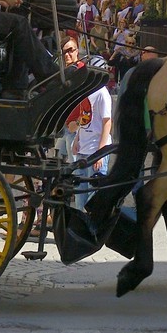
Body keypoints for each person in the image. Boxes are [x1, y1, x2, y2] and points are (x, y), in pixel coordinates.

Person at [62, 34, 113, 210]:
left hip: (96, 151)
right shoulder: (88, 92)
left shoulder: (102, 94)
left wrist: (101, 151)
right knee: (80, 194)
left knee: (94, 195)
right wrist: (77, 140)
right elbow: (83, 119)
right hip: (83, 148)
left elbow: (107, 122)